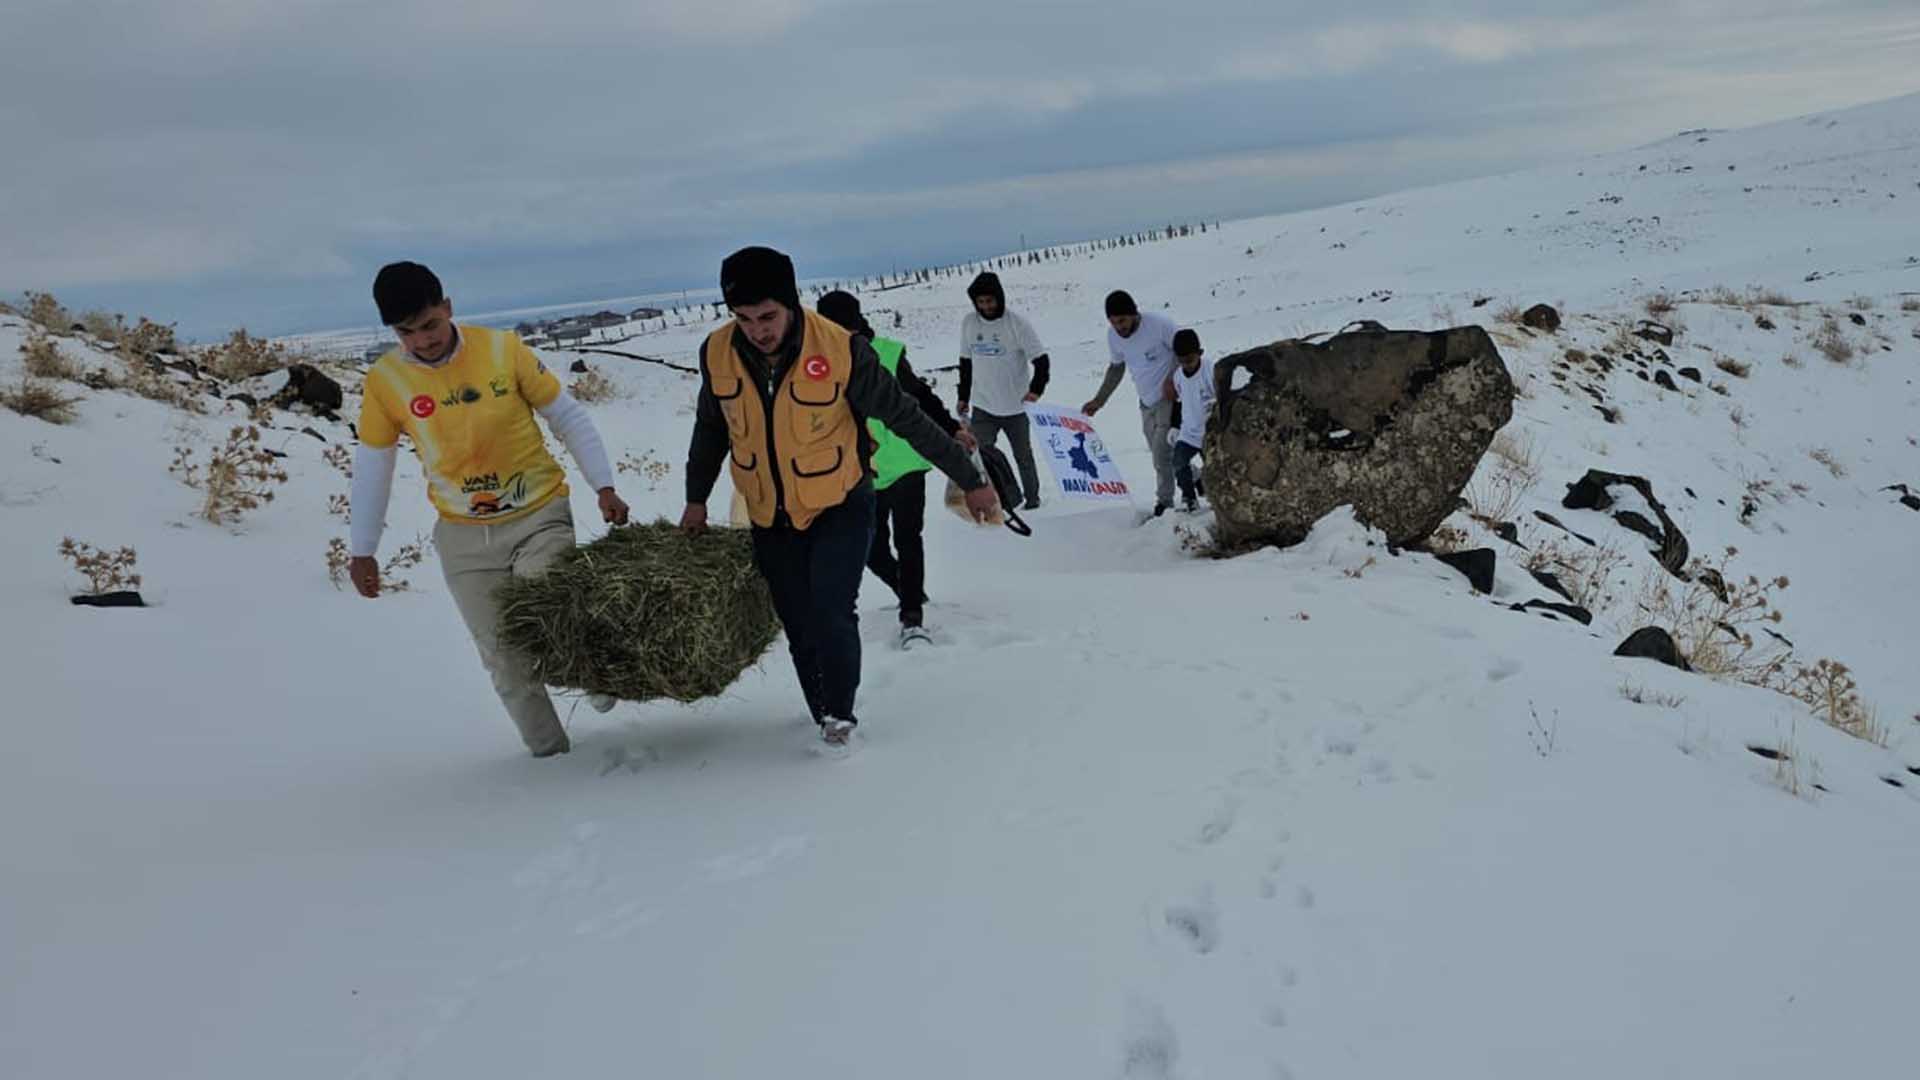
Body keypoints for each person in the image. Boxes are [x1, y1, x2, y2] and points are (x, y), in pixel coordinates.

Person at [682, 248, 998, 747]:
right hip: (770, 511)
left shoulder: (841, 350)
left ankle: (840, 717)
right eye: (743, 318)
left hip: (841, 501)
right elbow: (710, 429)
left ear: (790, 303)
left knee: (831, 609)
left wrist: (972, 480)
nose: (757, 330)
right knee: (797, 620)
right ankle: (819, 709)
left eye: (767, 316)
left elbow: (906, 417)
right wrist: (695, 498)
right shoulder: (716, 353)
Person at [348, 261, 630, 759]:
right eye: (406, 332)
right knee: (503, 655)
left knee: (548, 604)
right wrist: (363, 549)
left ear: (448, 308)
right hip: (463, 535)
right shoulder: (385, 381)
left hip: (538, 512)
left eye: (430, 324)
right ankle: (549, 758)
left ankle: (593, 670)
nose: (423, 340)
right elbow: (375, 463)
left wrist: (603, 486)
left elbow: (566, 415)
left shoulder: (503, 350)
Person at [816, 290, 976, 648]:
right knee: (870, 548)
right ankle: (908, 589)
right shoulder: (821, 363)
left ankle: (912, 617)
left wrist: (952, 430)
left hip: (904, 465)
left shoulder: (887, 352)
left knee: (908, 540)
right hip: (860, 472)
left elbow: (921, 396)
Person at [1081, 290, 1182, 515]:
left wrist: (1171, 380)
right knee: (1164, 453)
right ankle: (1195, 477)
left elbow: (1183, 350)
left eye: (1123, 320)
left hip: (1170, 398)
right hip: (1146, 402)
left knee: (1160, 453)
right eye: (1114, 322)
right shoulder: (1113, 336)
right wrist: (1099, 400)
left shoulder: (1159, 324)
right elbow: (1116, 368)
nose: (1120, 327)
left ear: (1134, 314)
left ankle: (1164, 503)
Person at [958, 272, 1050, 510]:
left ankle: (1032, 501)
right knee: (981, 454)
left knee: (1024, 457)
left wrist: (1035, 391)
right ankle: (1005, 498)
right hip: (984, 405)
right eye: (981, 302)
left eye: (990, 301)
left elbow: (1041, 361)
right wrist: (963, 397)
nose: (986, 306)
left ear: (999, 298)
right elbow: (965, 363)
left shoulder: (1016, 324)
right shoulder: (969, 323)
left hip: (1016, 407)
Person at [1168, 328, 1215, 513]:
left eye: (1190, 360)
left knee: (1212, 468)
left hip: (1209, 432)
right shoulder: (1178, 376)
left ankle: (1215, 499)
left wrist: (1214, 406)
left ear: (1200, 353)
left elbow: (1222, 396)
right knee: (1178, 463)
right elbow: (1178, 402)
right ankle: (1189, 498)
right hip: (1188, 432)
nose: (1186, 364)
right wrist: (1174, 426)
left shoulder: (1210, 370)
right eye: (1181, 361)